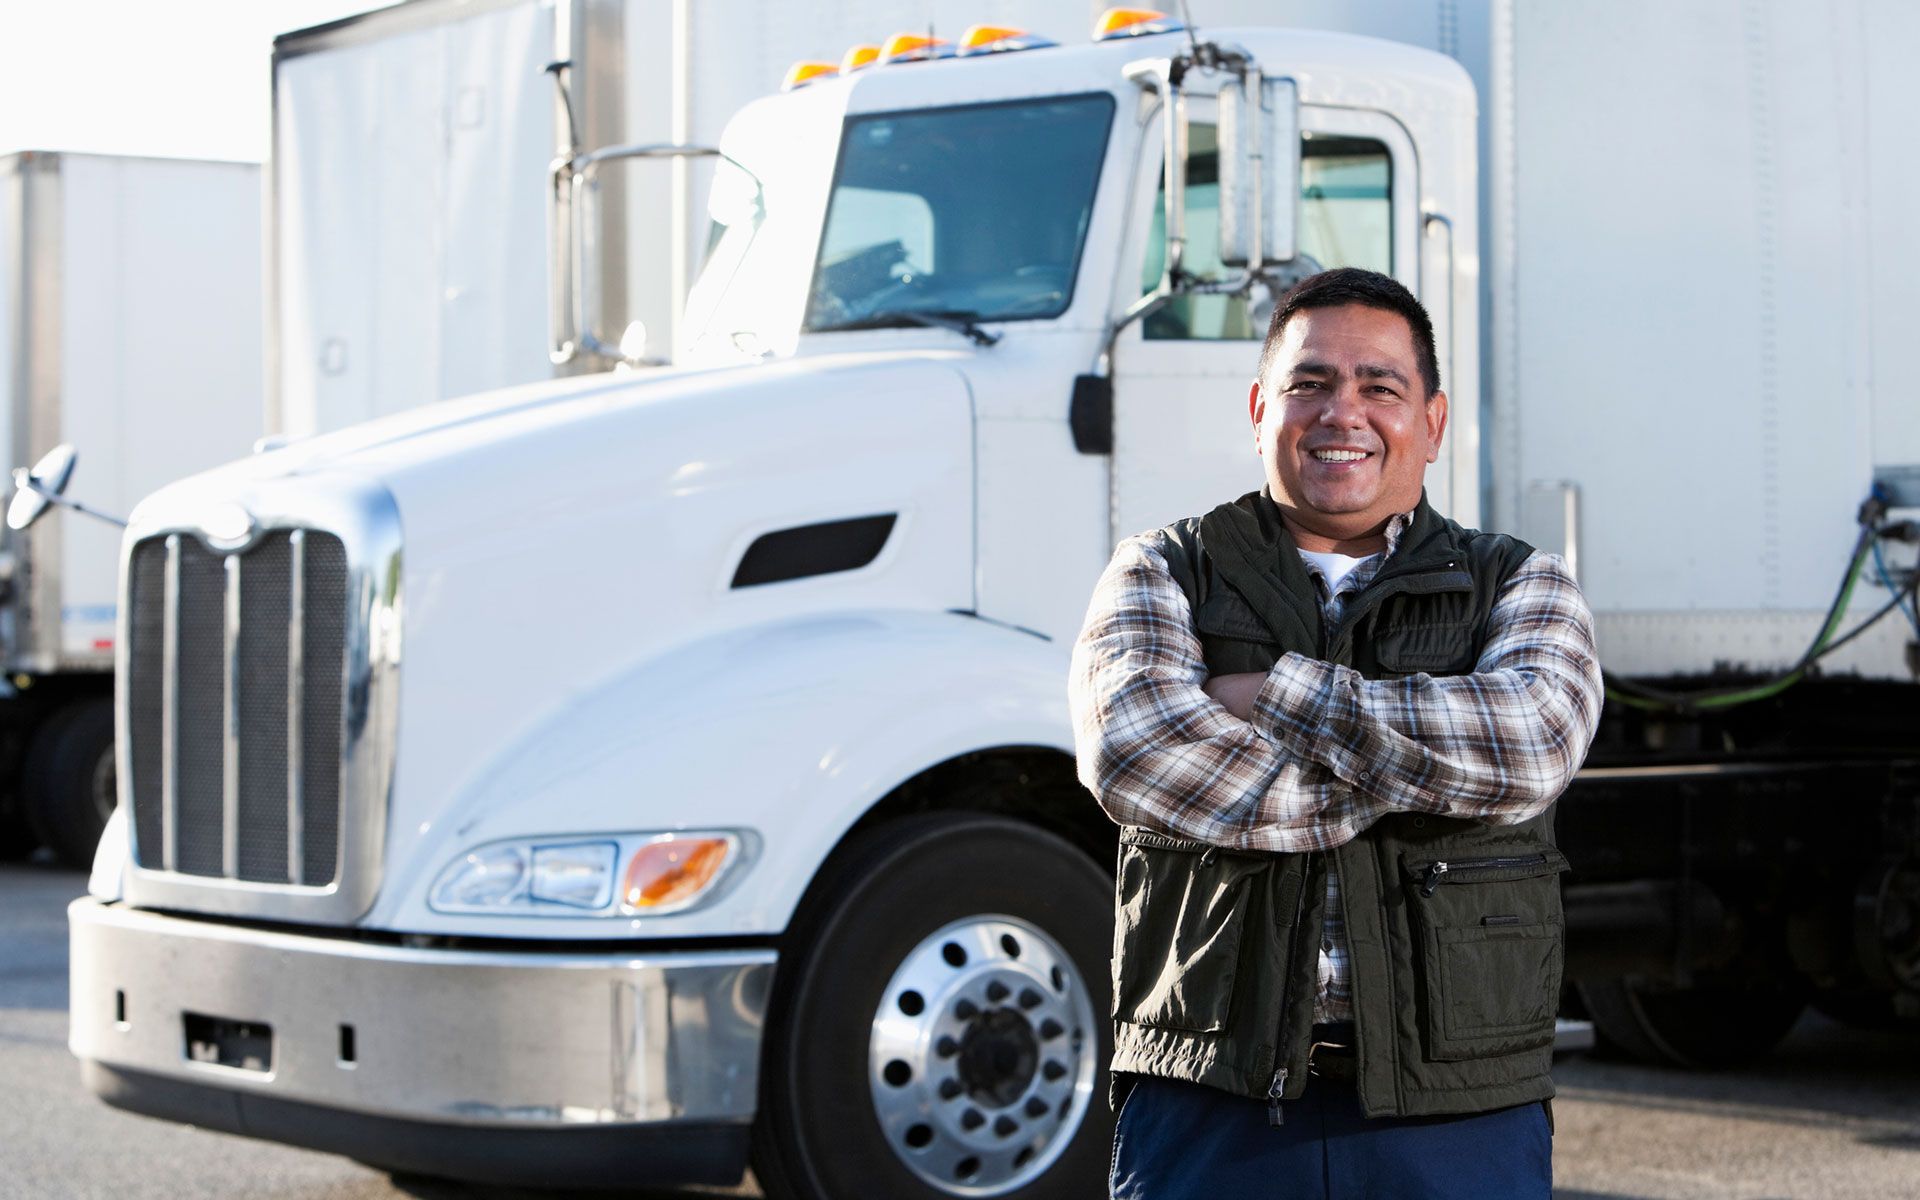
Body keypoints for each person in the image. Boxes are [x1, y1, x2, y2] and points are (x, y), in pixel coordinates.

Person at [1068, 267, 1603, 1198]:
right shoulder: (1159, 569)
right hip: (1211, 1101)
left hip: (1456, 1110)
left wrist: (1272, 692)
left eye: (1380, 387)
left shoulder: (1522, 583)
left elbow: (1527, 749)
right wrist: (1425, 770)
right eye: (1310, 383)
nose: (1341, 412)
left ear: (1432, 422)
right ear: (1260, 407)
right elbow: (1140, 755)